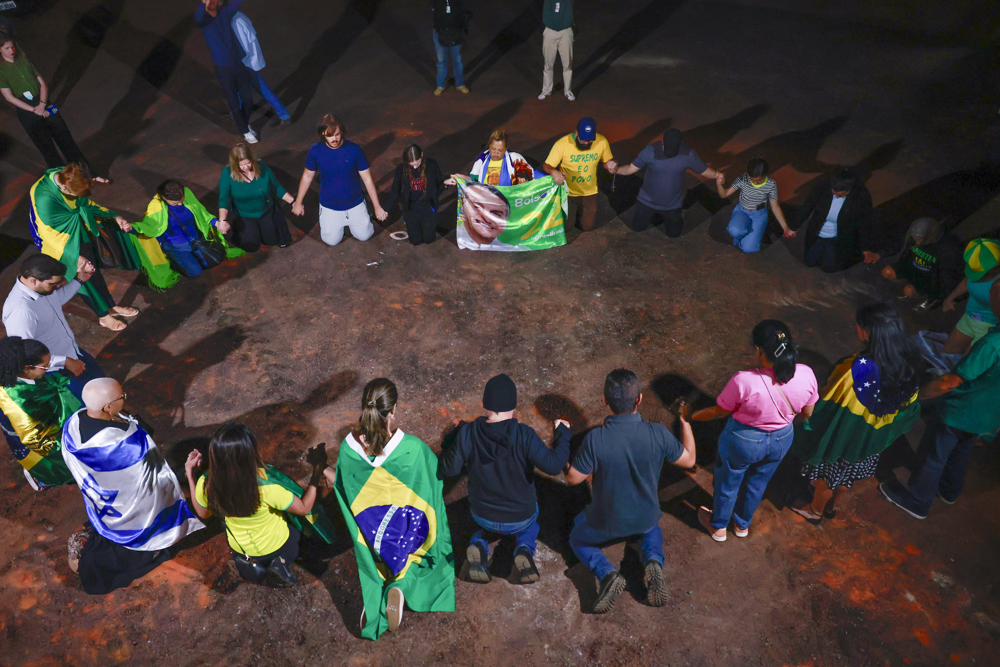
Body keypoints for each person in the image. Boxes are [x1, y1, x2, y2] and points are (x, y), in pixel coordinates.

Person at [564, 369, 696, 613]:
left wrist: (563, 454)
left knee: (577, 538)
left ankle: (607, 574)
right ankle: (653, 561)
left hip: (605, 522)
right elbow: (689, 460)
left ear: (605, 401)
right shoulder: (657, 433)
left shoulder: (595, 439)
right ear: (639, 399)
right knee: (651, 528)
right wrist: (685, 423)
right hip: (645, 516)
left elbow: (574, 479)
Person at [333, 379, 454, 639]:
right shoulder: (413, 449)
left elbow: (343, 487)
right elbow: (433, 483)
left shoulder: (347, 450)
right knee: (422, 554)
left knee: (377, 562)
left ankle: (383, 583)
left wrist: (322, 468)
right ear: (393, 410)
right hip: (407, 531)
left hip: (372, 536)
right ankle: (400, 585)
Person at [61, 378, 206, 594]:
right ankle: (152, 544)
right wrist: (187, 473)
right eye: (122, 397)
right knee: (152, 518)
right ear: (107, 407)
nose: (125, 399)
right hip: (131, 501)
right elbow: (149, 477)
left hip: (104, 495)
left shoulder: (73, 423)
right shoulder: (124, 443)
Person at [788, 303, 922, 523]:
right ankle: (831, 507)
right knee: (847, 476)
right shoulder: (910, 362)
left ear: (867, 333)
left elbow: (830, 402)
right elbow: (910, 408)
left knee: (827, 477)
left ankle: (815, 511)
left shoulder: (857, 368)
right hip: (871, 440)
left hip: (844, 438)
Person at [880, 279, 1000, 519]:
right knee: (961, 450)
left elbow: (950, 382)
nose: (990, 295)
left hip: (963, 410)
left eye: (994, 292)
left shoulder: (992, 344)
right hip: (989, 414)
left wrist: (916, 395)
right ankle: (948, 490)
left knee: (934, 454)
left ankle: (917, 501)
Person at [438, 374, 571, 584]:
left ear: (484, 404)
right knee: (531, 523)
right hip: (521, 516)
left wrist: (455, 438)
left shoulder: (468, 433)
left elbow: (449, 469)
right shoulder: (524, 434)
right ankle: (524, 550)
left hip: (483, 515)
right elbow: (554, 465)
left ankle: (478, 545)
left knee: (478, 523)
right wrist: (563, 434)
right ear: (514, 406)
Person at [691, 321, 818, 540]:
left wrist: (691, 416)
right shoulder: (806, 374)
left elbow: (719, 412)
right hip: (782, 438)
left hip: (743, 440)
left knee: (728, 483)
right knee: (757, 484)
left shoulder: (744, 380)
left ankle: (719, 527)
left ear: (759, 350)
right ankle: (742, 526)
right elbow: (807, 413)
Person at [186, 422, 333, 587]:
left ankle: (251, 566)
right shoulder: (266, 488)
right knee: (295, 535)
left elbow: (203, 513)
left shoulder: (206, 483)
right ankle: (281, 565)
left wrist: (190, 474)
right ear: (249, 454)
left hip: (241, 547)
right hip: (275, 544)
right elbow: (304, 508)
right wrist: (317, 472)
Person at [28, 164, 138, 331]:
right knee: (83, 281)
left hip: (78, 232)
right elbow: (48, 235)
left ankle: (110, 307)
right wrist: (75, 257)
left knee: (93, 272)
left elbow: (85, 204)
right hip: (60, 243)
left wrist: (114, 217)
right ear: (64, 188)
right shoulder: (44, 198)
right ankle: (103, 316)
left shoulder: (70, 175)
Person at [0, 34, 110, 182]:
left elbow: (42, 83)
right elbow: (9, 97)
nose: (11, 50)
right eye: (7, 48)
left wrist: (42, 104)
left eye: (12, 46)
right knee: (48, 149)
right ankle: (65, 183)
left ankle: (90, 174)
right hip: (27, 110)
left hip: (42, 101)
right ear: (0, 50)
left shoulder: (23, 59)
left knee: (66, 140)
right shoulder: (1, 70)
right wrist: (34, 110)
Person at [3, 253, 105, 397]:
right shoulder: (20, 312)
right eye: (52, 284)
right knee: (89, 402)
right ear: (33, 280)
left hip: (74, 352)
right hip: (58, 371)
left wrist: (79, 280)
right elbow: (25, 352)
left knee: (104, 389)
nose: (57, 287)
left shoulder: (42, 290)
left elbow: (57, 300)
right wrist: (65, 361)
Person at [292, 115, 388, 246]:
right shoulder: (315, 151)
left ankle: (363, 217)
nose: (334, 139)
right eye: (330, 135)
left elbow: (367, 179)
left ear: (342, 131)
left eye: (337, 134)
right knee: (331, 241)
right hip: (330, 206)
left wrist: (377, 207)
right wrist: (298, 202)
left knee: (365, 235)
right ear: (323, 134)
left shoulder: (354, 149)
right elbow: (307, 177)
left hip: (355, 203)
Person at [129, 180, 244, 288]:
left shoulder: (186, 193)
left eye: (182, 200)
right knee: (195, 272)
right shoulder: (155, 208)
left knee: (215, 259)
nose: (180, 204)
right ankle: (174, 261)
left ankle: (190, 257)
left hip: (196, 239)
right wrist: (130, 228)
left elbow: (202, 213)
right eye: (175, 203)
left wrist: (217, 223)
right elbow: (146, 227)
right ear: (164, 197)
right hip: (177, 247)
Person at [0, 336, 79, 489]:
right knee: (65, 468)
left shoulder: (21, 375)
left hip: (49, 422)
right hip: (49, 441)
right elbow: (33, 439)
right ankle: (44, 479)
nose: (48, 368)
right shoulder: (16, 399)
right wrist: (69, 449)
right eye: (44, 366)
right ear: (26, 368)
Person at [615, 128, 722, 237]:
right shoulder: (650, 151)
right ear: (662, 142)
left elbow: (705, 171)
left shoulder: (688, 154)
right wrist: (616, 169)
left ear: (680, 144)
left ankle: (665, 219)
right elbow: (629, 169)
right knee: (637, 228)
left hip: (672, 204)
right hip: (646, 201)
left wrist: (717, 175)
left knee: (674, 234)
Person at [194, 0, 258, 143]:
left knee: (248, 99)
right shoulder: (204, 22)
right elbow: (198, 15)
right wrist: (204, 3)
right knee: (234, 102)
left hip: (238, 65)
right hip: (223, 69)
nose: (211, 2)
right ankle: (245, 131)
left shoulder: (224, 14)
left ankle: (244, 124)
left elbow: (237, 2)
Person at [543, 117, 618, 232]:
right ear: (576, 132)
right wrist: (553, 172)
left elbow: (608, 162)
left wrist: (611, 166)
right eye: (583, 139)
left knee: (587, 227)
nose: (586, 142)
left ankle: (577, 216)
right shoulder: (562, 144)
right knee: (567, 227)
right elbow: (547, 165)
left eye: (589, 140)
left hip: (589, 191)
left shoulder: (602, 142)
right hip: (568, 192)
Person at [218, 143, 295, 252]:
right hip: (245, 215)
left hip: (265, 211)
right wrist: (222, 220)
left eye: (248, 163)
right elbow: (224, 198)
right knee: (251, 245)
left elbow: (275, 187)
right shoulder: (227, 173)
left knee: (271, 240)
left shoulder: (261, 166)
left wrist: (293, 202)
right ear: (234, 165)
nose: (246, 167)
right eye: (241, 165)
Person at [796, 169, 876, 272]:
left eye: (840, 195)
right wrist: (794, 227)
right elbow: (807, 206)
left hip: (837, 237)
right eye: (834, 193)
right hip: (818, 233)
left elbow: (865, 222)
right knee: (810, 262)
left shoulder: (861, 196)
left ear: (849, 190)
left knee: (829, 268)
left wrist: (865, 247)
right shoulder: (822, 187)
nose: (836, 197)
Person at [881, 217, 964, 311]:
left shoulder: (947, 249)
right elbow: (902, 251)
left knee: (909, 291)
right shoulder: (915, 240)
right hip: (912, 268)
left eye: (918, 237)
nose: (915, 238)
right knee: (887, 272)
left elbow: (945, 277)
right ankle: (906, 287)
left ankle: (925, 297)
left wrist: (941, 296)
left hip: (927, 277)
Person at [716, 158, 794, 253]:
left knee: (748, 249)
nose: (755, 183)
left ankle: (750, 233)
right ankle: (742, 232)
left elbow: (775, 207)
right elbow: (724, 194)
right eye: (752, 180)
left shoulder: (771, 184)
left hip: (759, 214)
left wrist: (785, 227)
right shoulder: (742, 179)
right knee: (734, 230)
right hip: (742, 210)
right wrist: (719, 185)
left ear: (765, 175)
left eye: (759, 181)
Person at [939, 238, 1000, 356]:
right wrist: (949, 298)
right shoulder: (982, 258)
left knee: (968, 361)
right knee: (948, 349)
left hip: (990, 326)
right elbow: (966, 282)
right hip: (969, 317)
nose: (974, 276)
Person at [231, 11, 292, 128]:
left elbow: (243, 47)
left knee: (239, 91)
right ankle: (284, 115)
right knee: (259, 89)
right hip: (249, 63)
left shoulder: (235, 22)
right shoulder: (239, 16)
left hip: (244, 65)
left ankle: (238, 118)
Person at [384, 144, 448, 245]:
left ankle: (429, 224)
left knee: (428, 239)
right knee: (415, 241)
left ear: (421, 155)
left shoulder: (431, 164)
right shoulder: (401, 169)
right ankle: (411, 224)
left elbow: (439, 180)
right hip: (411, 207)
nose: (414, 166)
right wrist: (386, 209)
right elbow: (395, 191)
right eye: (411, 164)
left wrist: (446, 182)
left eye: (417, 162)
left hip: (427, 205)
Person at [464, 129, 543, 187]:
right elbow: (472, 180)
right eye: (493, 149)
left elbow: (532, 175)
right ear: (489, 146)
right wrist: (458, 178)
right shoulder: (482, 159)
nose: (496, 152)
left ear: (506, 148)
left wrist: (549, 180)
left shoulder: (515, 159)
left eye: (500, 150)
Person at [456, 182, 515, 250]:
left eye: (496, 214)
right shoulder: (451, 240)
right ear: (462, 205)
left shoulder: (513, 247)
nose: (486, 218)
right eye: (477, 207)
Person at [538, 0, 574, 101]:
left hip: (566, 32)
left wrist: (563, 25)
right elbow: (546, 15)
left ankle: (568, 90)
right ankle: (546, 89)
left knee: (567, 64)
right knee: (548, 63)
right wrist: (553, 26)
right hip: (550, 32)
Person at [432, 0, 469, 96]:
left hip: (455, 33)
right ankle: (440, 85)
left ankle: (460, 84)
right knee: (441, 60)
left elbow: (463, 14)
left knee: (457, 60)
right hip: (440, 33)